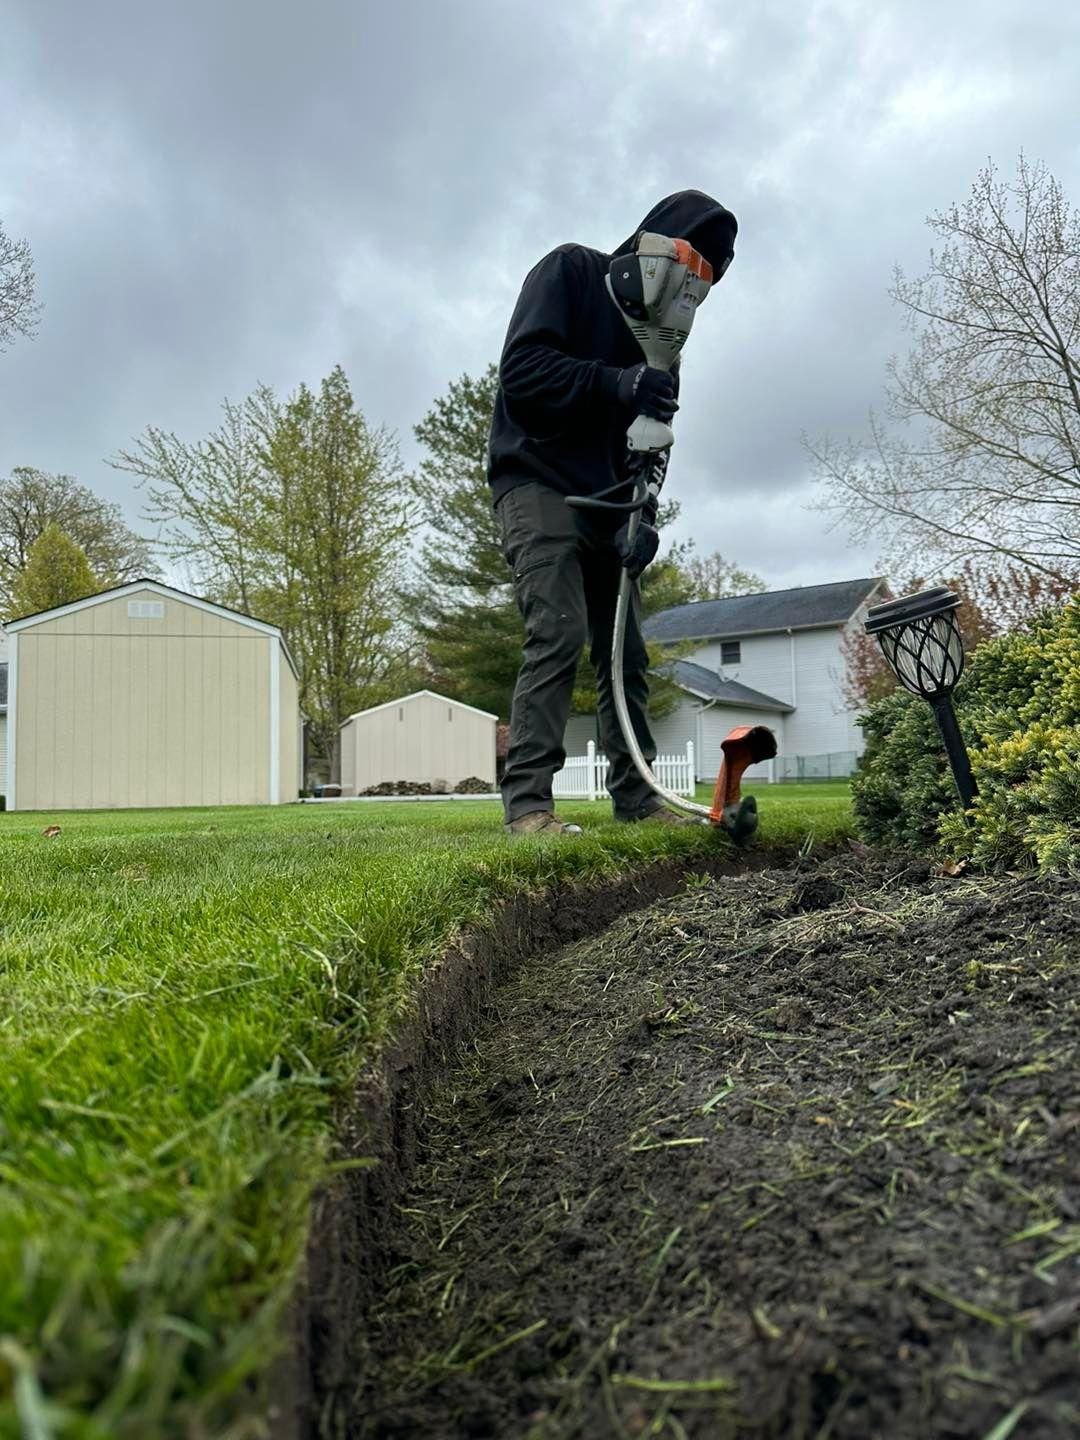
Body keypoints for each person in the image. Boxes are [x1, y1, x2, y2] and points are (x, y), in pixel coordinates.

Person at [489, 190, 738, 837]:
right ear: (653, 245)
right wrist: (615, 383)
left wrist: (645, 517)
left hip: (610, 502)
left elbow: (653, 449)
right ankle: (529, 807)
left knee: (624, 653)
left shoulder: (663, 347)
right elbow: (523, 373)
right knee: (560, 627)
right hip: (536, 480)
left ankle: (638, 798)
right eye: (690, 261)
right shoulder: (570, 272)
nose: (693, 283)